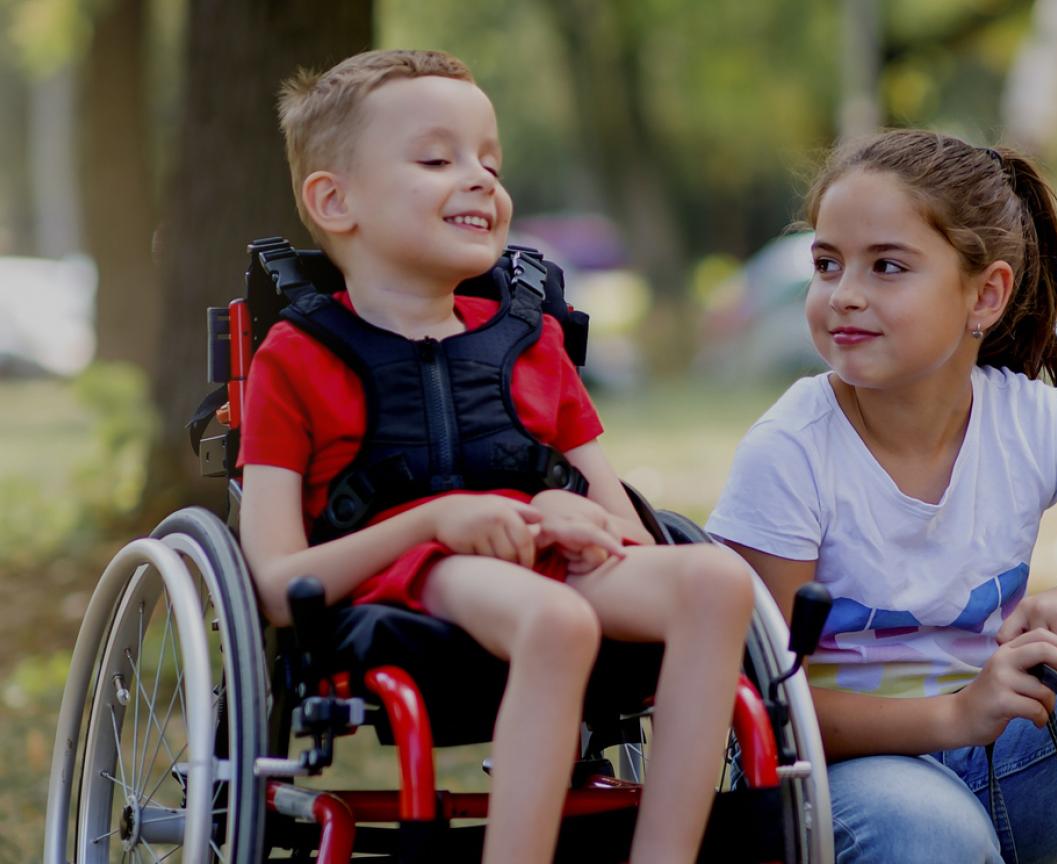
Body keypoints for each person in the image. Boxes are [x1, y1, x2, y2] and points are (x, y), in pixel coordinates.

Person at [237, 49, 753, 864]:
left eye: (491, 161)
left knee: (717, 579)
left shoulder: (531, 342)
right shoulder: (295, 359)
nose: (481, 178)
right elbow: (273, 585)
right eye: (439, 159)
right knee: (553, 619)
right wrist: (437, 521)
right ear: (335, 201)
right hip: (405, 585)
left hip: (547, 562)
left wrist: (570, 513)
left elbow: (634, 535)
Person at [705, 129, 1057, 864]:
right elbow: (754, 704)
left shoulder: (1030, 421)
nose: (844, 295)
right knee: (935, 831)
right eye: (826, 264)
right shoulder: (789, 451)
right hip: (843, 784)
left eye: (886, 266)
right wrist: (953, 715)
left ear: (986, 293)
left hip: (1003, 764)